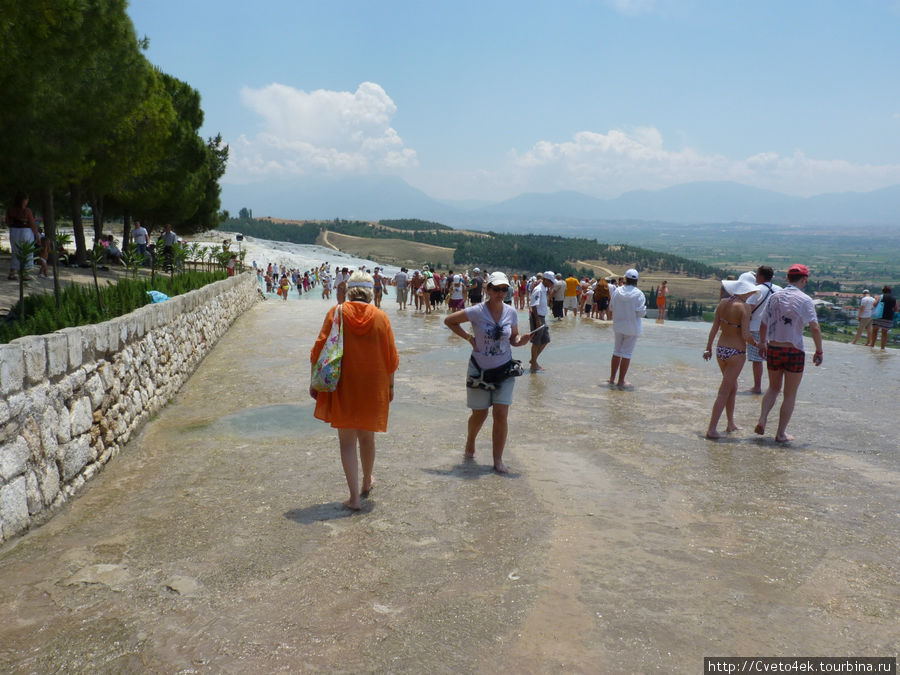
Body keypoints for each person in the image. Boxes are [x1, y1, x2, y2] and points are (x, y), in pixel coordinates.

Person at [309, 270, 399, 510]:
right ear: (371, 292)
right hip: (373, 385)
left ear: (348, 290)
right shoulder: (381, 317)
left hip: (343, 384)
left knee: (347, 441)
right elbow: (391, 358)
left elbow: (319, 349)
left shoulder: (336, 312)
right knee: (367, 438)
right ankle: (367, 482)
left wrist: (313, 381)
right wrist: (390, 387)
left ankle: (354, 498)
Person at [444, 272, 532, 473]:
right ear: (488, 290)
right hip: (479, 370)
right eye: (496, 289)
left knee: (501, 414)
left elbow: (514, 338)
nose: (501, 293)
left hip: (504, 370)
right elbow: (449, 321)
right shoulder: (476, 311)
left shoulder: (511, 312)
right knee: (480, 414)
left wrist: (522, 341)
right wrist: (469, 338)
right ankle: (470, 441)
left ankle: (497, 460)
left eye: (504, 289)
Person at [755, 264, 824, 443]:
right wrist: (818, 350)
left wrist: (763, 343)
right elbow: (814, 327)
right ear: (804, 280)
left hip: (774, 348)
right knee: (789, 394)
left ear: (787, 278)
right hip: (794, 350)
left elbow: (763, 323)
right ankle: (780, 434)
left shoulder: (774, 297)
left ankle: (762, 419)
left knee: (773, 388)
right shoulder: (805, 300)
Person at [703, 277, 759, 439]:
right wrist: (759, 345)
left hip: (721, 350)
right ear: (747, 291)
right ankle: (712, 429)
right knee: (724, 391)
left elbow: (714, 329)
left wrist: (708, 348)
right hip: (736, 353)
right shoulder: (745, 308)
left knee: (732, 387)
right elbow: (745, 335)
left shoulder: (723, 303)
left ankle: (730, 423)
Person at [608, 269, 647, 389]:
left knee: (616, 351)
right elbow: (641, 313)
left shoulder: (617, 291)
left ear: (625, 279)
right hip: (632, 327)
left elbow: (611, 307)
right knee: (627, 353)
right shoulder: (639, 294)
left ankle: (612, 378)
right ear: (636, 280)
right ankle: (621, 381)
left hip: (618, 325)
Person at [745, 266, 781, 394]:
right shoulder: (779, 290)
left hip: (756, 327)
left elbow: (748, 308)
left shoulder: (757, 290)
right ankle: (775, 387)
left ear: (760, 276)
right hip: (776, 329)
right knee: (774, 359)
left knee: (757, 359)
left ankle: (757, 387)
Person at [5, 191, 41, 281]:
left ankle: (12, 272)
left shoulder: (10, 209)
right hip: (25, 231)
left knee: (15, 251)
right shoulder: (27, 211)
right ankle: (25, 274)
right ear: (23, 200)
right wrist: (37, 236)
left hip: (14, 231)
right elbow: (32, 224)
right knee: (27, 252)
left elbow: (8, 222)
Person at [528, 271, 555, 372]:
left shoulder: (544, 289)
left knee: (545, 340)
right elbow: (533, 305)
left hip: (542, 317)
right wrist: (537, 320)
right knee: (536, 341)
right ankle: (534, 364)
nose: (552, 284)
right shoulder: (538, 289)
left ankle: (533, 360)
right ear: (546, 280)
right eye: (551, 282)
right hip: (538, 317)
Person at [868, 285, 896, 350]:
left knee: (875, 330)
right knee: (884, 333)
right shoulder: (893, 299)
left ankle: (872, 344)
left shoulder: (880, 297)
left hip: (878, 316)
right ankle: (882, 348)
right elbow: (896, 309)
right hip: (888, 317)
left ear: (883, 291)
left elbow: (875, 304)